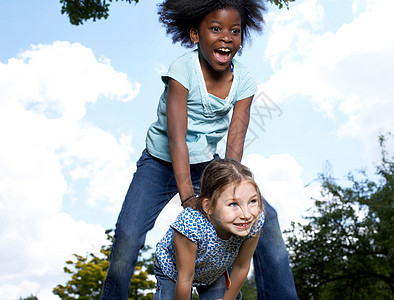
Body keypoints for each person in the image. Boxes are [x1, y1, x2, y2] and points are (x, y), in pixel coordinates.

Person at [100, 0, 298, 299]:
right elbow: (176, 139)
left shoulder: (244, 79)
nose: (226, 37)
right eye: (216, 29)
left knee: (265, 218)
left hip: (206, 164)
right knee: (128, 234)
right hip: (159, 162)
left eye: (235, 30)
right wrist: (188, 196)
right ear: (195, 35)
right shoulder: (183, 69)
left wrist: (231, 191)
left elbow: (235, 141)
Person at [154, 158, 264, 300]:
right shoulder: (190, 225)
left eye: (252, 201)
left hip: (213, 269)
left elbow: (241, 267)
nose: (247, 215)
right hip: (174, 271)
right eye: (233, 204)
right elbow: (185, 279)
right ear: (208, 207)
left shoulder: (254, 222)